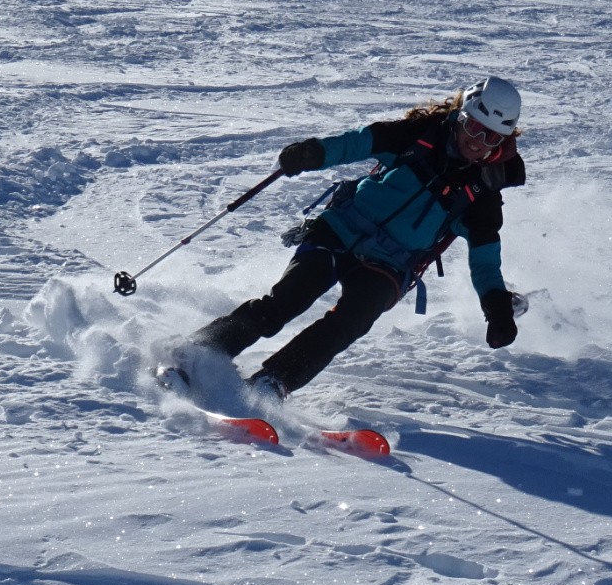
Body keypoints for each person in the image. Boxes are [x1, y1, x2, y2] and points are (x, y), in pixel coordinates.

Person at [188, 76, 528, 399]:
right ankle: (201, 351)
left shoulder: (482, 195)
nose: (476, 142)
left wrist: (497, 310)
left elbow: (485, 262)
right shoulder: (419, 135)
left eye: (491, 138)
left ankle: (272, 384)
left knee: (350, 320)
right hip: (342, 228)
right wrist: (313, 153)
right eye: (472, 127)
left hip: (392, 264)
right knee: (289, 297)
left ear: (503, 142)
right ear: (460, 114)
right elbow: (358, 142)